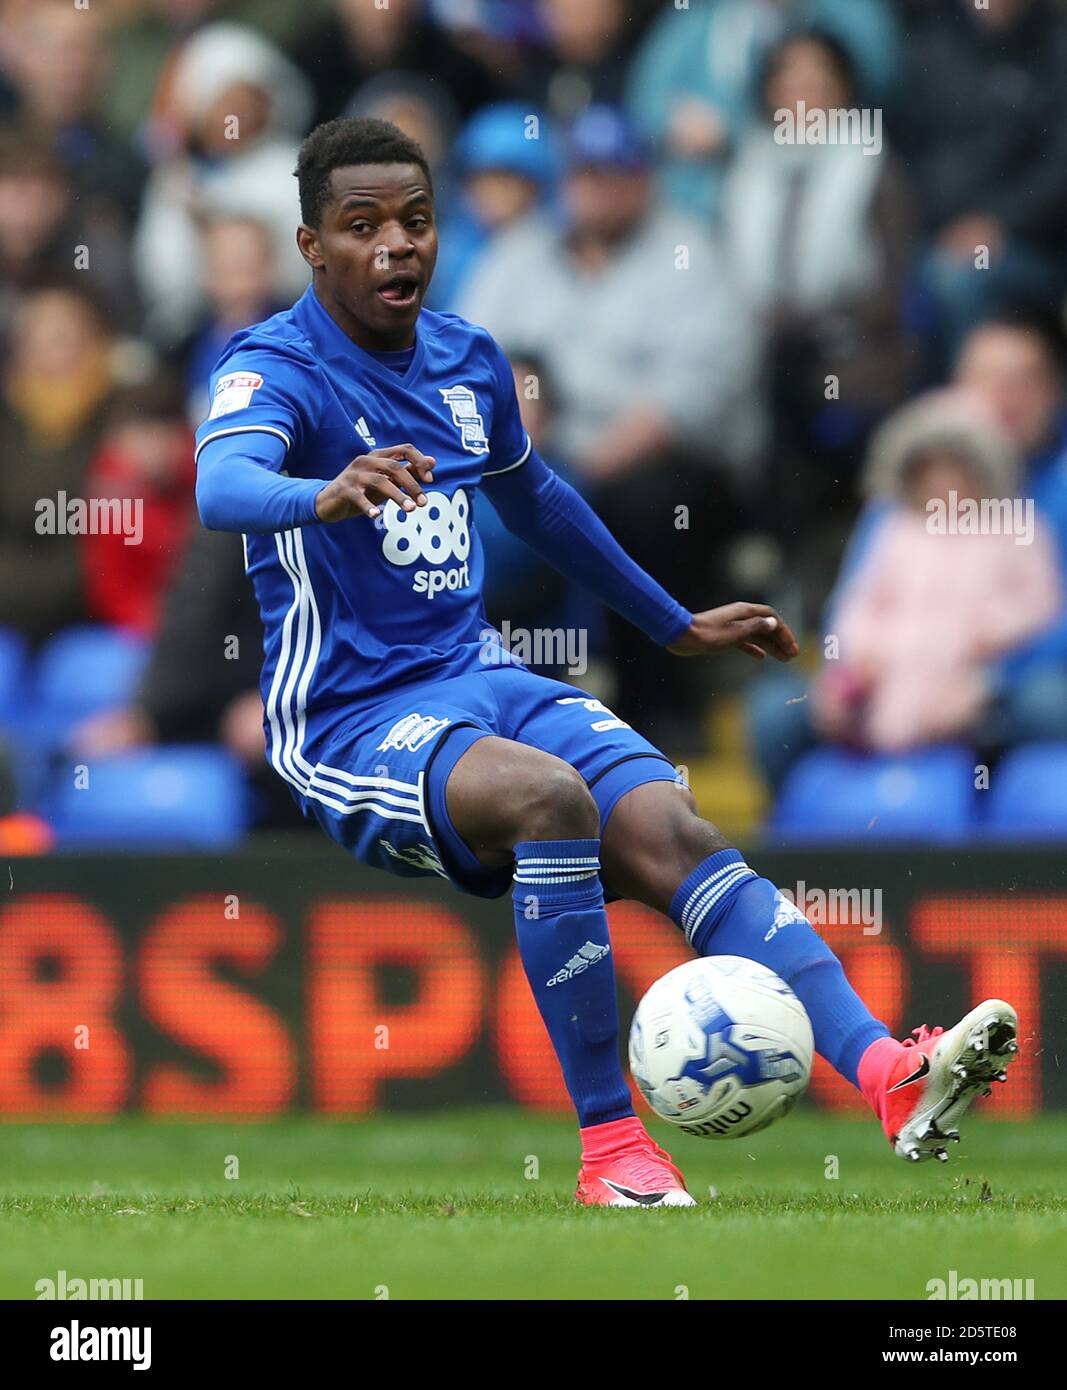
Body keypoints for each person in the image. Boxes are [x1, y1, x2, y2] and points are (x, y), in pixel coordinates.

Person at [194, 115, 1019, 1205]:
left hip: (478, 677)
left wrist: (671, 622)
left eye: (414, 220)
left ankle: (885, 1073)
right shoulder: (275, 369)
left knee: (673, 824)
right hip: (349, 718)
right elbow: (220, 490)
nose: (396, 244)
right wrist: (322, 491)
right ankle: (612, 1151)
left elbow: (535, 498)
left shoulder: (466, 359)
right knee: (548, 799)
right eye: (362, 226)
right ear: (311, 245)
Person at [813, 389, 1061, 751]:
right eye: (932, 469)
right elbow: (860, 601)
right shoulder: (895, 530)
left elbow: (1041, 602)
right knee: (825, 706)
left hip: (979, 674)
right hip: (889, 671)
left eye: (956, 469)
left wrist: (990, 635)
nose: (945, 483)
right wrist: (861, 654)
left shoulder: (1017, 526)